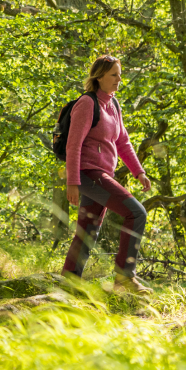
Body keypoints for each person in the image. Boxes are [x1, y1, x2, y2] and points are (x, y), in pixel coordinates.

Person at [62, 55, 153, 293]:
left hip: (102, 173)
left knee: (88, 229)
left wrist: (139, 172)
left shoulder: (113, 104)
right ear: (99, 76)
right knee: (136, 212)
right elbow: (73, 145)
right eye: (113, 74)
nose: (118, 79)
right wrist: (72, 182)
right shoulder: (87, 103)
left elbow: (123, 142)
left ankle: (69, 282)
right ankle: (124, 278)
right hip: (88, 173)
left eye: (119, 74)